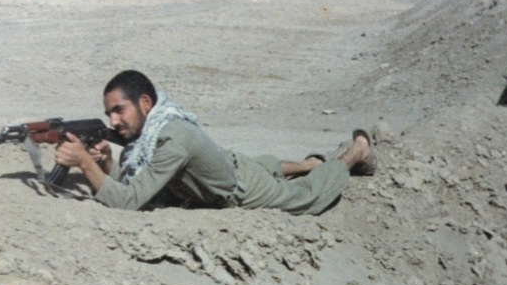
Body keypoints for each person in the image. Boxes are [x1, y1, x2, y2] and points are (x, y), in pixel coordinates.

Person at [54, 70, 376, 215]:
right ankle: (307, 164)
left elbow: (128, 201)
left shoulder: (170, 139)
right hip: (228, 166)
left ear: (145, 104)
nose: (113, 122)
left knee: (305, 198)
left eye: (119, 110)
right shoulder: (151, 133)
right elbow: (135, 181)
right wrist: (105, 163)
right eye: (109, 114)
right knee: (262, 165)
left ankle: (354, 153)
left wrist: (84, 162)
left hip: (240, 190)